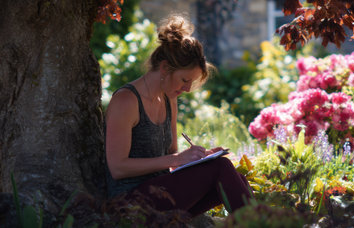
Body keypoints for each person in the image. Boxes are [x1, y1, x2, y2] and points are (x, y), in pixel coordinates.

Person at [104, 15, 252, 217]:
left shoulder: (168, 99)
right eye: (184, 80)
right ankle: (262, 223)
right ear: (165, 68)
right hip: (129, 204)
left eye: (191, 83)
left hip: (162, 194)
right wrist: (177, 158)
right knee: (222, 169)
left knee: (233, 179)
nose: (188, 89)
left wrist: (199, 159)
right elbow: (117, 168)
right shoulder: (126, 101)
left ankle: (259, 221)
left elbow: (171, 159)